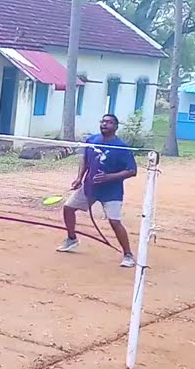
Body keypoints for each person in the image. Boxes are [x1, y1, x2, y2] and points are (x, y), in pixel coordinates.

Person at [57, 113, 138, 268]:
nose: (104, 124)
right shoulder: (91, 141)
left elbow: (131, 171)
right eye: (103, 121)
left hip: (111, 191)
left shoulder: (121, 147)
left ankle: (128, 255)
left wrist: (108, 177)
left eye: (108, 122)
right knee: (68, 208)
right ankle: (72, 239)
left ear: (115, 127)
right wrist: (79, 178)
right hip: (89, 187)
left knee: (114, 222)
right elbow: (85, 161)